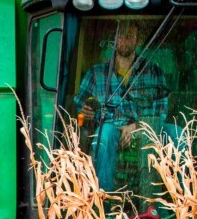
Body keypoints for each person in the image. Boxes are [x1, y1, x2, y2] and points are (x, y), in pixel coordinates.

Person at [73, 21, 175, 194]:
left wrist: (135, 127)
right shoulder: (96, 73)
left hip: (147, 128)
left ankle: (183, 202)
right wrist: (85, 111)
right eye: (120, 36)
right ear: (114, 40)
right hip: (111, 128)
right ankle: (105, 199)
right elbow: (79, 106)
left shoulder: (153, 72)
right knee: (104, 134)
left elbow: (160, 111)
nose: (124, 40)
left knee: (178, 134)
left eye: (129, 36)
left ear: (138, 40)